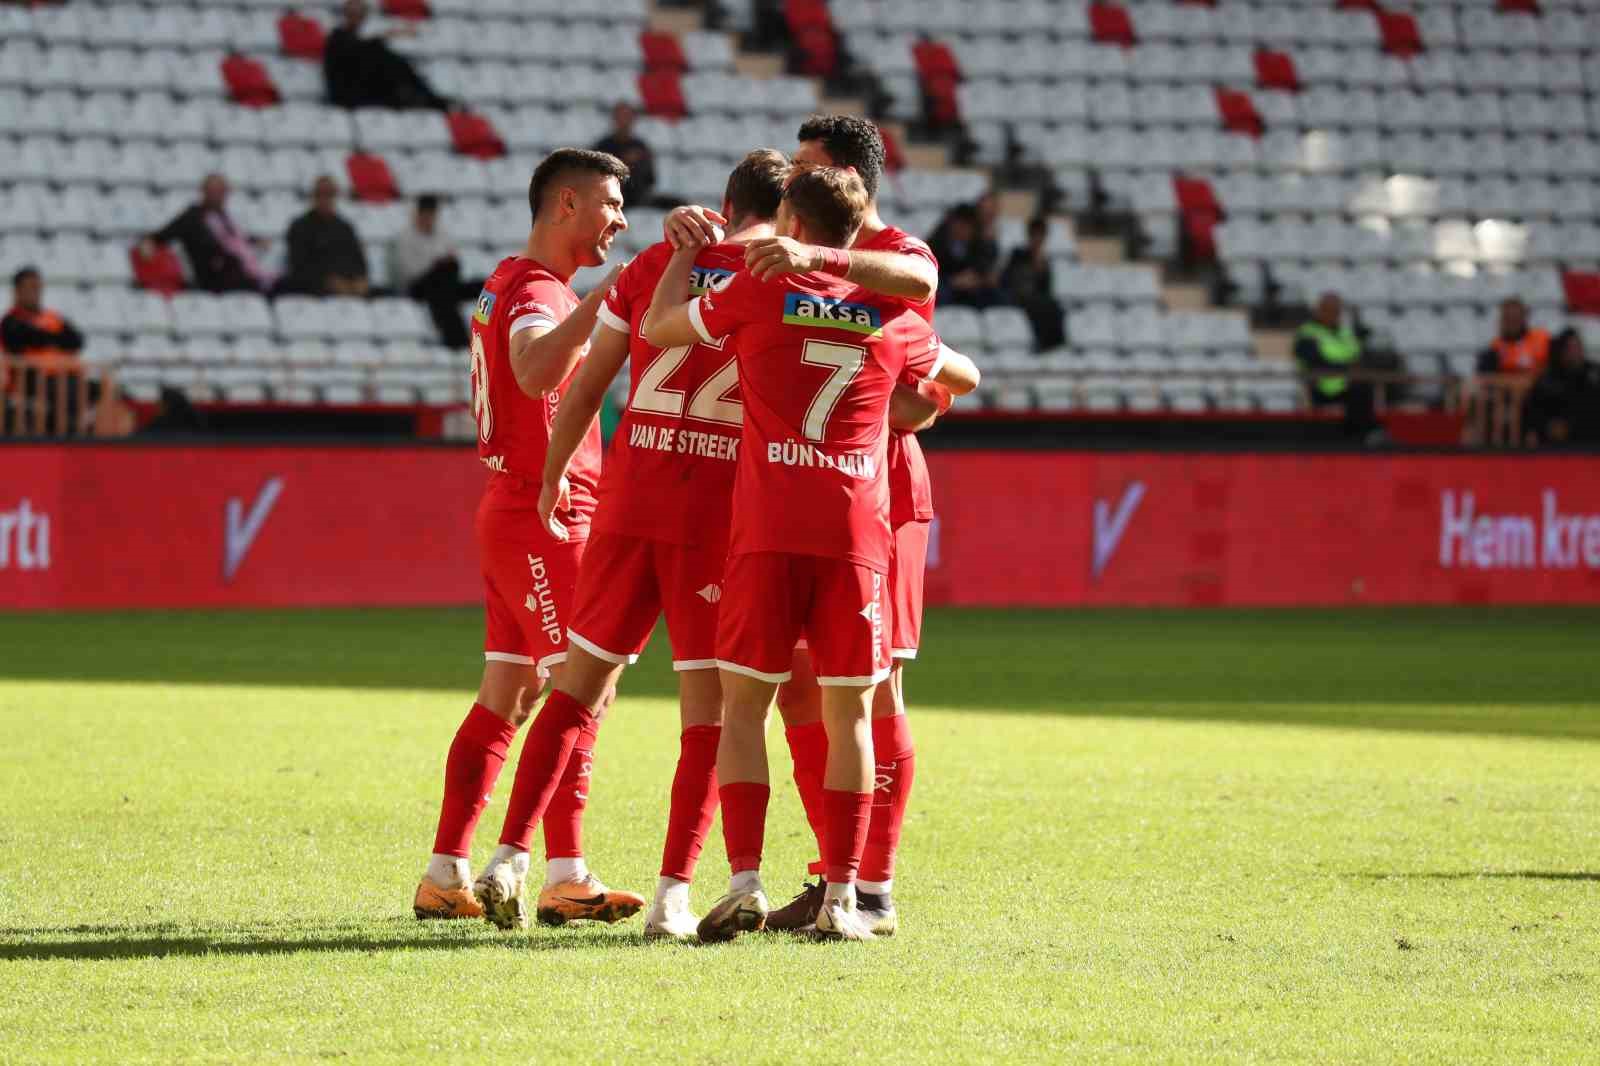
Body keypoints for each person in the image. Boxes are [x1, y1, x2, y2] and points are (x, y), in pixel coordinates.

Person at [642, 165, 980, 942]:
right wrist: (912, 403)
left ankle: (746, 879)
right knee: (852, 716)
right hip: (855, 534)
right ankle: (844, 899)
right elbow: (956, 375)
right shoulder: (894, 314)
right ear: (858, 234)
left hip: (766, 530)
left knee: (743, 709)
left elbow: (662, 327)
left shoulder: (758, 293)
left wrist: (683, 261)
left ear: (789, 222)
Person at [532, 149, 789, 940]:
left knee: (574, 686)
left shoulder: (656, 259)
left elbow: (583, 382)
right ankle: (674, 893)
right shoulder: (786, 282)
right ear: (790, 219)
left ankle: (512, 858)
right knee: (711, 712)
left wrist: (550, 479)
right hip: (717, 520)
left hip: (628, 504)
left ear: (725, 199)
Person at [410, 149, 633, 926]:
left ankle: (445, 871)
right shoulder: (539, 291)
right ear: (564, 205)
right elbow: (535, 366)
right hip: (545, 517)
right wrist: (610, 297)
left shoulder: (509, 279)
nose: (620, 218)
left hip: (511, 510)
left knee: (506, 695)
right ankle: (560, 869)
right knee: (586, 687)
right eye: (609, 201)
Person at [142, 174, 275, 294]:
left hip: (236, 272)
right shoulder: (192, 217)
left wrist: (256, 241)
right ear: (204, 191)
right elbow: (162, 235)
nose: (218, 195)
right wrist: (149, 243)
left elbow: (235, 240)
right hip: (213, 277)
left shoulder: (224, 217)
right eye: (214, 191)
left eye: (222, 192)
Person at [324, 0, 450, 111]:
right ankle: (428, 100)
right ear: (346, 14)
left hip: (364, 92)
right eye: (353, 13)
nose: (357, 17)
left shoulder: (356, 40)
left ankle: (425, 98)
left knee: (390, 59)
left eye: (360, 13)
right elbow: (354, 51)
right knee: (385, 57)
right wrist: (390, 34)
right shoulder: (337, 37)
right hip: (346, 95)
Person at [390, 194, 478, 348]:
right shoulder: (405, 238)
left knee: (486, 286)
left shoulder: (442, 235)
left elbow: (453, 262)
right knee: (441, 291)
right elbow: (408, 272)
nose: (429, 219)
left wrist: (444, 265)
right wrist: (435, 265)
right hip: (418, 285)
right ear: (418, 214)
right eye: (426, 215)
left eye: (431, 215)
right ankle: (458, 341)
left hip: (444, 282)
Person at [1294, 291, 1379, 440]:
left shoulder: (1345, 332)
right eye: (1329, 310)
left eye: (1337, 310)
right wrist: (1346, 368)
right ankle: (1361, 437)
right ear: (1319, 310)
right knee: (1359, 390)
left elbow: (1358, 354)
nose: (1334, 314)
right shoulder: (1308, 333)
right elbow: (1314, 362)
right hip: (1323, 387)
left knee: (1365, 386)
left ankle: (1368, 436)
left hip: (1350, 383)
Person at [284, 176, 370, 297]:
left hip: (348, 286)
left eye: (330, 194)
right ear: (313, 197)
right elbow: (299, 266)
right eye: (320, 194)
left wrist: (360, 280)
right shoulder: (300, 227)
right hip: (314, 289)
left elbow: (359, 261)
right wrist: (329, 282)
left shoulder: (345, 227)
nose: (325, 199)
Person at [1523, 329, 1600, 448]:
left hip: (1591, 440)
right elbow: (1532, 409)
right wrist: (1547, 427)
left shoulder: (1594, 373)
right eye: (1570, 348)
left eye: (1577, 346)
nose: (1575, 352)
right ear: (1561, 351)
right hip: (1555, 443)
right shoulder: (1548, 379)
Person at [1000, 216, 1065, 350]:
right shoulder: (1017, 254)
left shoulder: (1044, 262)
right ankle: (1042, 343)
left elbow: (1046, 289)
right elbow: (1007, 278)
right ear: (1029, 235)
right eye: (1035, 235)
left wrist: (1041, 271)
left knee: (1053, 306)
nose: (1038, 239)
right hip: (1018, 296)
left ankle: (1056, 343)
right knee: (1039, 306)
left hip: (1036, 298)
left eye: (1041, 235)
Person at [928, 203, 1004, 307]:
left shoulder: (979, 243)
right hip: (945, 285)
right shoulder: (937, 243)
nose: (962, 231)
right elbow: (928, 273)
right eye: (960, 225)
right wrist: (952, 281)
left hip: (972, 287)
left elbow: (984, 266)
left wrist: (978, 278)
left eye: (967, 227)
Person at [592, 102, 657, 209]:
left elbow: (650, 178)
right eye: (620, 117)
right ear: (614, 119)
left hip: (637, 199)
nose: (624, 121)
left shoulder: (641, 147)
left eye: (627, 117)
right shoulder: (602, 147)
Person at [1477, 297, 1551, 376]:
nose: (1511, 323)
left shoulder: (1542, 338)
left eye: (1515, 318)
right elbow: (1485, 378)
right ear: (1501, 320)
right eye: (1507, 318)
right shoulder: (1495, 348)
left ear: (1524, 318)